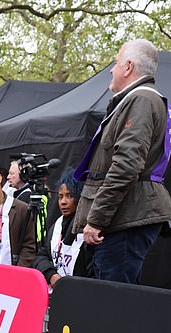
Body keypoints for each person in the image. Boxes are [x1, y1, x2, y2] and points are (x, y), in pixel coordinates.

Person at [73, 39, 171, 283]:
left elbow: (126, 166)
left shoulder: (141, 100)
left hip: (124, 219)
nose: (111, 69)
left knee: (114, 305)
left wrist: (96, 219)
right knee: (114, 302)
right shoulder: (136, 101)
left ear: (128, 67)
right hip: (123, 217)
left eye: (115, 63)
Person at [33, 168, 92, 287]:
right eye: (60, 197)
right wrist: (51, 275)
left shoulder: (89, 229)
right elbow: (41, 256)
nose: (63, 202)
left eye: (69, 196)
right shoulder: (56, 226)